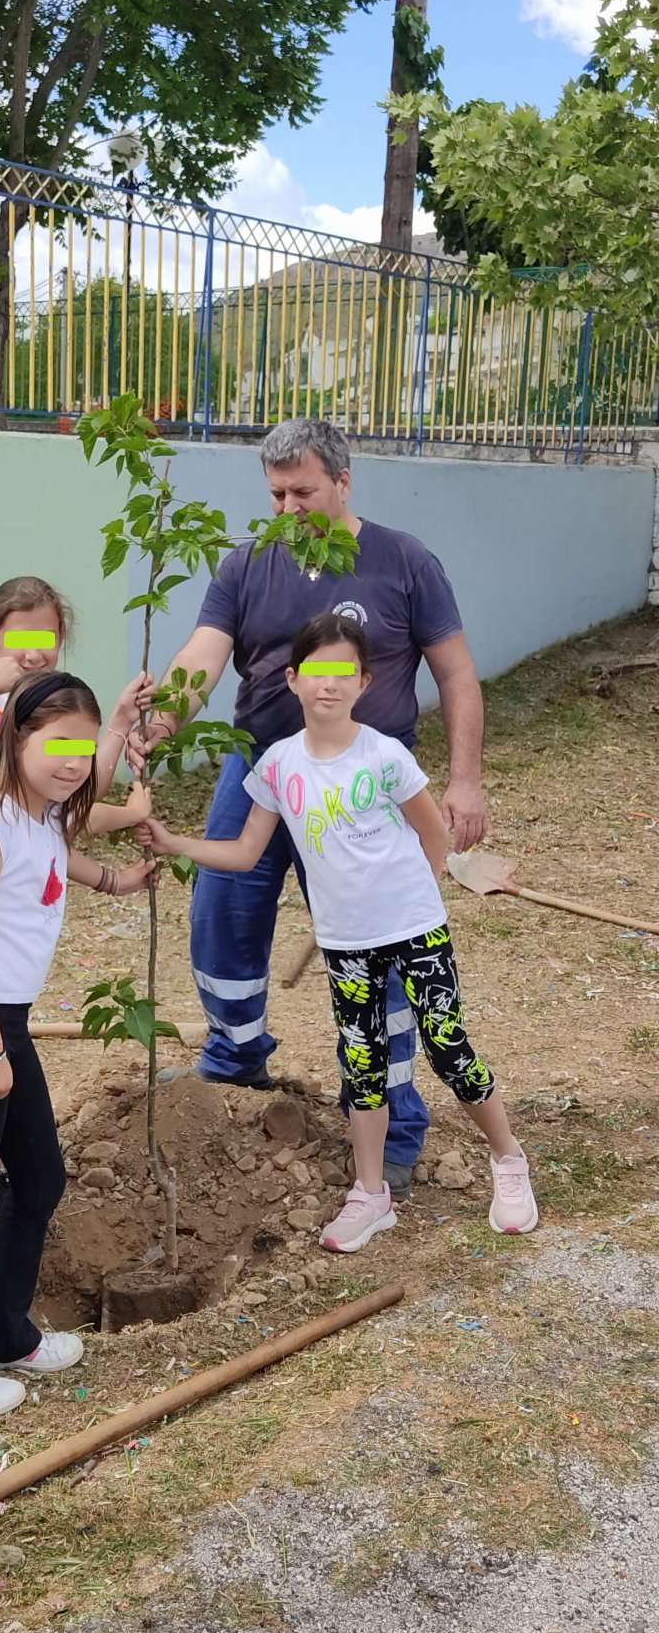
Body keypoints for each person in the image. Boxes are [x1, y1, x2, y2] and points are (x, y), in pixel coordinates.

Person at [136, 416, 487, 1196]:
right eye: (275, 494)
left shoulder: (403, 561)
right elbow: (203, 653)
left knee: (385, 949)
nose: (288, 507)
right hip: (263, 769)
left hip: (366, 787)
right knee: (221, 912)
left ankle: (393, 1124)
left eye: (303, 491)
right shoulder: (247, 563)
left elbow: (457, 675)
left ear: (343, 481)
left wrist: (464, 779)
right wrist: (164, 717)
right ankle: (234, 1062)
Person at [143, 613, 537, 1250]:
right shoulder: (277, 765)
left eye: (343, 673)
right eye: (315, 673)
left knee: (447, 1048)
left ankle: (508, 1158)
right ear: (293, 680)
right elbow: (245, 853)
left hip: (414, 933)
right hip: (348, 947)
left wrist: (413, 896)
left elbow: (431, 835)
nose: (328, 685)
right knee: (364, 1067)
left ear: (364, 682)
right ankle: (371, 1193)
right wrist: (170, 841)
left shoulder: (385, 756)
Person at [0, 670, 156, 1420]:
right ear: (17, 737)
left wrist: (114, 880)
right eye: (58, 742)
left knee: (40, 1179)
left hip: (0, 1023)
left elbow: (62, 850)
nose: (73, 760)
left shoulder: (38, 814)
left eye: (84, 744)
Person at [0, 572, 150, 836]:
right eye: (19, 641)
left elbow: (76, 791)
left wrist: (122, 721)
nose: (33, 656)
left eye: (45, 640)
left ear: (60, 637)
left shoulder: (56, 700)